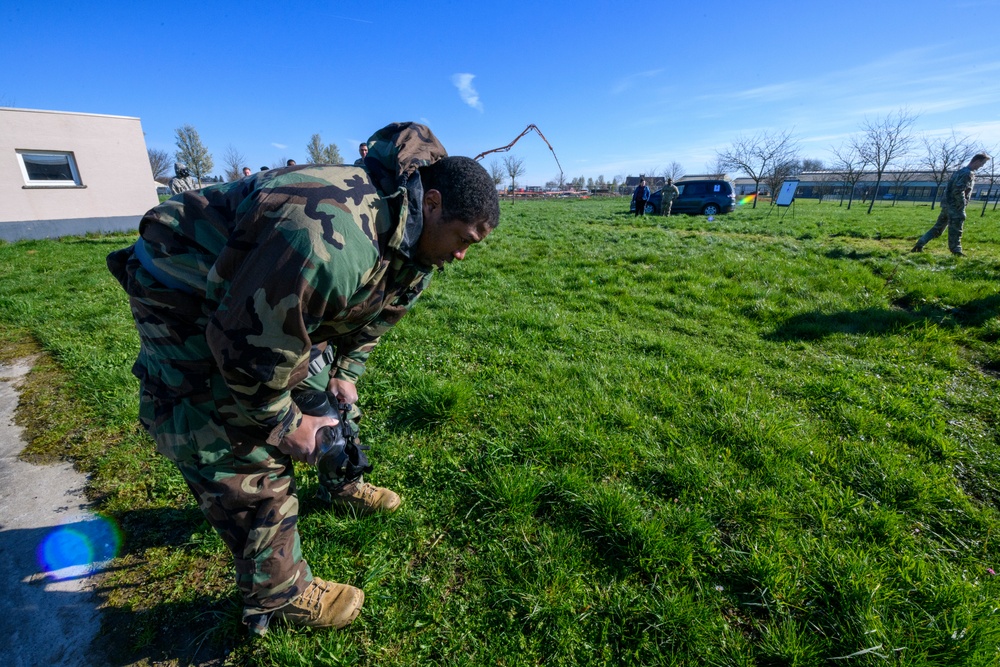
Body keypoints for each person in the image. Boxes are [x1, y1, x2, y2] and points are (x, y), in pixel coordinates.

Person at [105, 122, 500, 635]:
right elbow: (246, 350)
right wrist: (284, 422)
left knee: (322, 397)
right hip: (185, 292)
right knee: (237, 434)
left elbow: (377, 314)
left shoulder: (419, 240)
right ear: (435, 204)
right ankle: (279, 594)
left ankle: (342, 477)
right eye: (464, 239)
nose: (463, 255)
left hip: (270, 297)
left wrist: (343, 376)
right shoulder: (327, 235)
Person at [912, 152, 991, 256]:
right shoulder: (968, 174)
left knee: (938, 228)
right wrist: (961, 204)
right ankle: (956, 251)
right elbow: (959, 190)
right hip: (956, 207)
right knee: (956, 229)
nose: (982, 166)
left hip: (947, 206)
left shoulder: (958, 172)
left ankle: (920, 244)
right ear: (977, 161)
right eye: (982, 163)